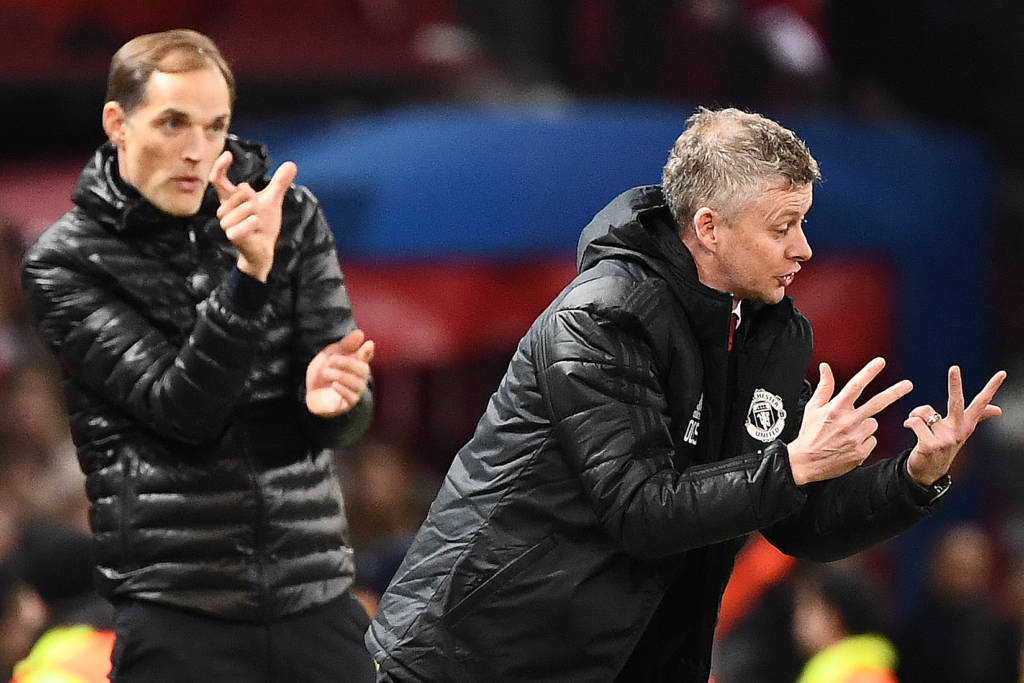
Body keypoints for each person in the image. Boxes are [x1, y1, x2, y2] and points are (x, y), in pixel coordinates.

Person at [366, 107, 1006, 682]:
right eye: (783, 226)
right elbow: (641, 509)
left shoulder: (770, 336)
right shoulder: (603, 317)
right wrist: (795, 463)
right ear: (709, 227)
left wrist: (913, 477)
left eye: (804, 222)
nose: (804, 248)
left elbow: (799, 519)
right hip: (472, 658)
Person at [20, 29, 376, 682]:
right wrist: (248, 279)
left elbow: (346, 415)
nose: (197, 150)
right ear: (117, 123)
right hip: (178, 610)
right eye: (173, 123)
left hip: (315, 595)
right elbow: (183, 412)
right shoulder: (65, 261)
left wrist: (336, 403)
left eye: (215, 127)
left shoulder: (288, 214)